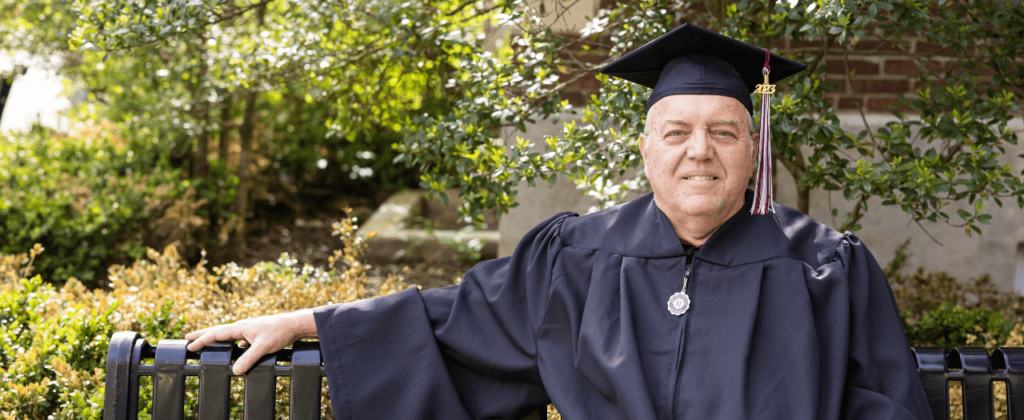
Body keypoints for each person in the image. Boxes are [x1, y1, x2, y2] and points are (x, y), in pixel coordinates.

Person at [186, 23, 932, 419]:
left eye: (725, 132)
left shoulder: (825, 267)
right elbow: (457, 319)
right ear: (647, 150)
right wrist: (306, 321)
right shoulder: (578, 254)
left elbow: (887, 406)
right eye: (677, 133)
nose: (699, 153)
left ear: (754, 149)